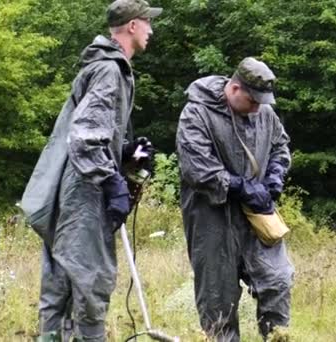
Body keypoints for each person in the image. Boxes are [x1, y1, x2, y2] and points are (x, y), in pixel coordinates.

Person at [20, 1, 162, 341]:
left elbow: (93, 135)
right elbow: (84, 138)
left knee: (61, 280)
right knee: (90, 279)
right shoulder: (110, 71)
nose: (151, 30)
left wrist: (127, 152)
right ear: (131, 26)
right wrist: (112, 181)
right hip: (83, 193)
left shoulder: (102, 67)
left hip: (69, 188)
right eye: (147, 23)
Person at [175, 57, 295, 341]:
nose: (257, 108)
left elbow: (280, 145)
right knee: (218, 302)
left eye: (262, 102)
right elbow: (197, 168)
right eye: (253, 100)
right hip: (212, 219)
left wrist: (275, 176)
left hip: (257, 218)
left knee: (277, 281)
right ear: (234, 88)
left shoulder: (264, 111)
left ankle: (276, 337)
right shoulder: (197, 113)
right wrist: (240, 186)